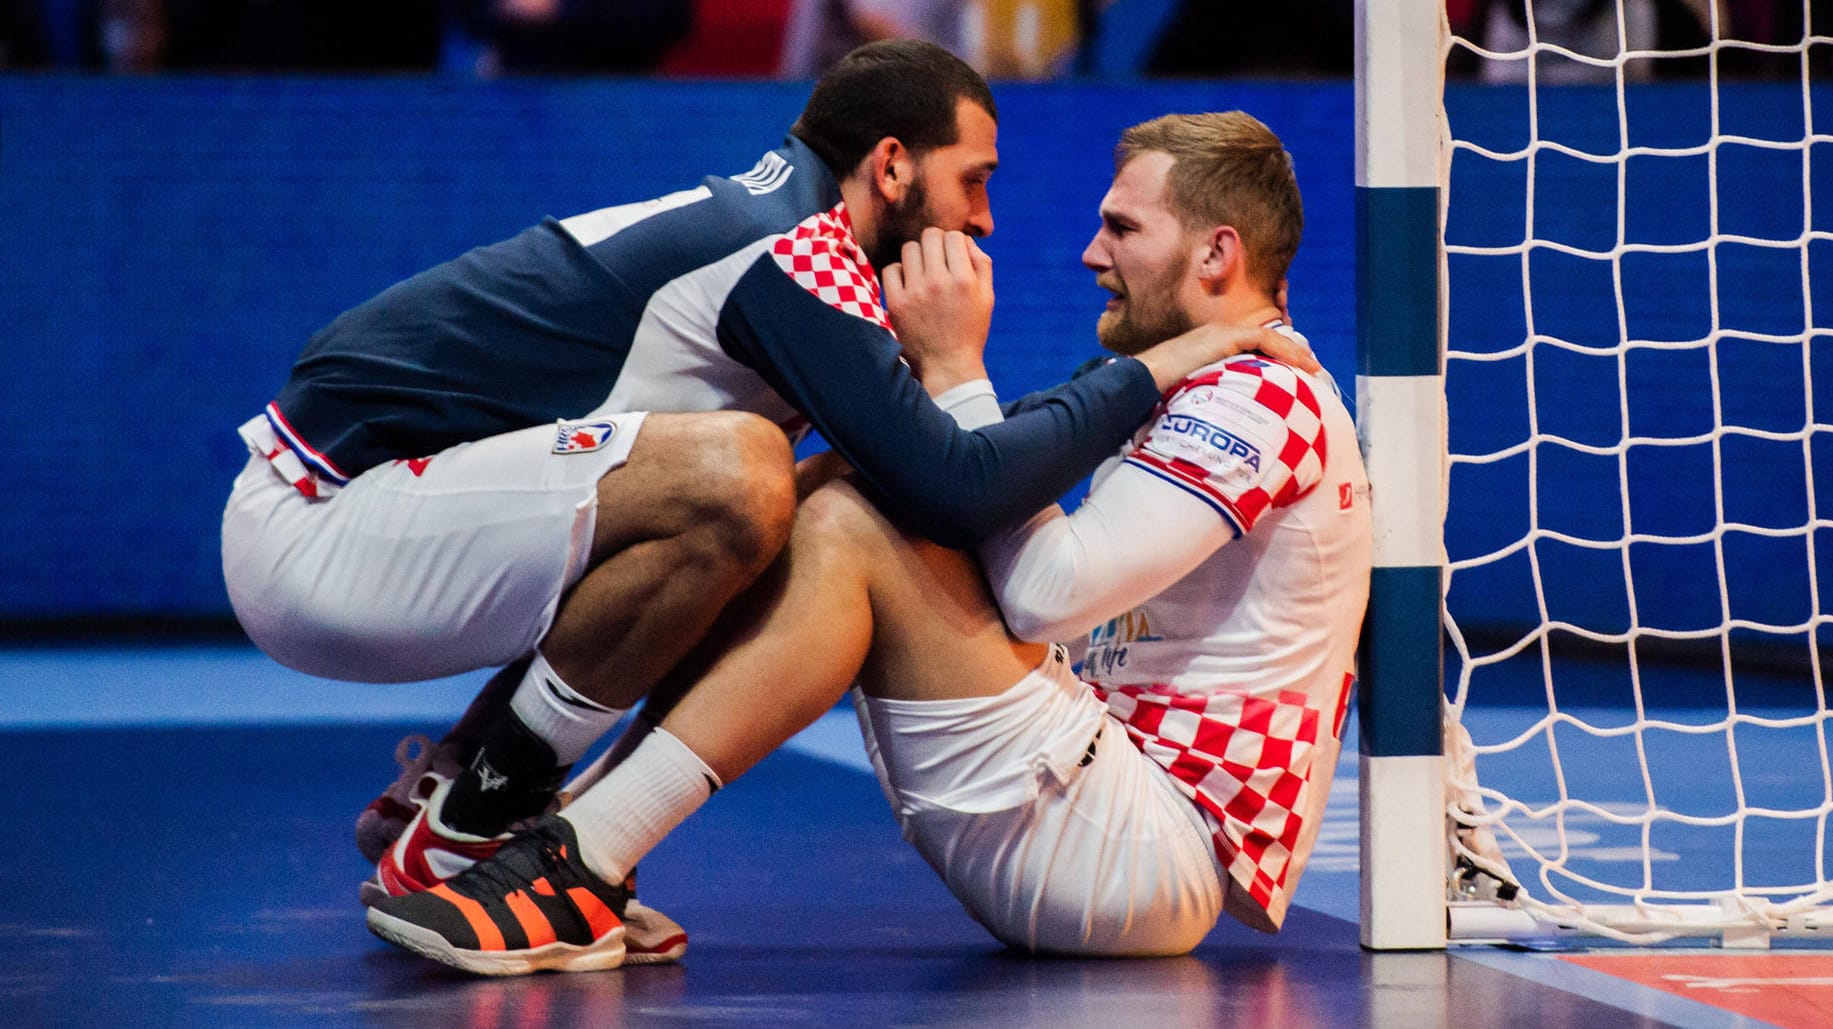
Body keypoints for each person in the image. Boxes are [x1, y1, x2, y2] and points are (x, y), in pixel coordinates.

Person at [222, 40, 1304, 956]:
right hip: (322, 528)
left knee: (804, 488)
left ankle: (472, 801)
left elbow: (933, 467)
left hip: (367, 507)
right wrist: (1147, 372)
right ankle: (487, 820)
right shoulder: (797, 255)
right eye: (972, 179)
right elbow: (965, 488)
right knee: (741, 478)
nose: (982, 220)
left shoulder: (783, 234)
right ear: (891, 166)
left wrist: (1089, 385)